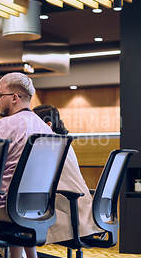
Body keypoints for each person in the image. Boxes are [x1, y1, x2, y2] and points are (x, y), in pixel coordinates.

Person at [0, 72, 53, 258]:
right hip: (37, 206)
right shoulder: (46, 129)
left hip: (6, 207)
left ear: (14, 97)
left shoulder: (3, 125)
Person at [32, 104, 102, 244]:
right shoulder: (62, 141)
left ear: (48, 125)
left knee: (11, 215)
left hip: (70, 213)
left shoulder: (48, 143)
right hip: (84, 211)